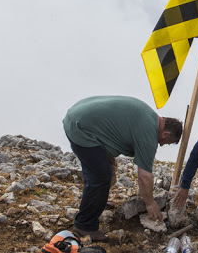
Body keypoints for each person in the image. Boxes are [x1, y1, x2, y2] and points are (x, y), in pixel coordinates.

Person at [63, 95, 182, 241]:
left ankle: (96, 201)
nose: (162, 145)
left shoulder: (149, 116)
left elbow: (114, 128)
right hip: (80, 128)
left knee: (103, 170)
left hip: (80, 115)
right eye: (166, 142)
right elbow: (144, 175)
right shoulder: (149, 133)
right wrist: (150, 203)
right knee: (100, 177)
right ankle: (84, 225)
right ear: (166, 133)